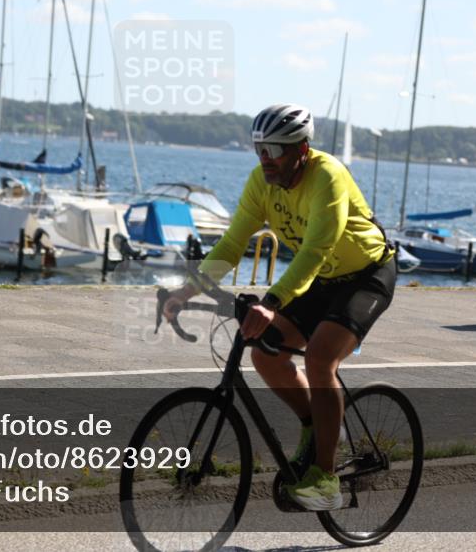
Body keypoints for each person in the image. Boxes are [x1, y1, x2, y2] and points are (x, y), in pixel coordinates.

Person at [162, 103, 396, 511]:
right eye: (259, 149)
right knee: (266, 354)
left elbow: (315, 252)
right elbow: (232, 245)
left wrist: (271, 302)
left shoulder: (328, 176)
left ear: (301, 149)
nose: (266, 159)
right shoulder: (261, 182)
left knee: (321, 358)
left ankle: (326, 480)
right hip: (323, 279)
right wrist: (185, 292)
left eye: (274, 149)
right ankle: (319, 426)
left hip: (366, 275)